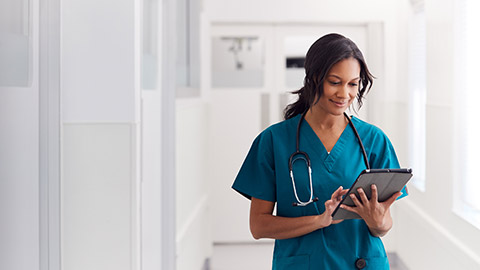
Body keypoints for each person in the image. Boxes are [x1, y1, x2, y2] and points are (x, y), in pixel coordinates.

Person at [231, 33, 408, 270]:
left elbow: (383, 225)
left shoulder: (374, 141)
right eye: (335, 82)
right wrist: (319, 220)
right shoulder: (273, 141)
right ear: (314, 78)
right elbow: (259, 226)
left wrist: (378, 220)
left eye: (352, 84)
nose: (344, 94)